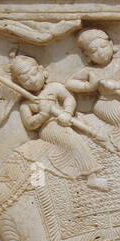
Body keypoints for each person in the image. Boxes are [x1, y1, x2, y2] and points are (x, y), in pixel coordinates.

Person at [10, 53, 108, 191]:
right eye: (25, 80)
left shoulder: (54, 87)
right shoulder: (26, 104)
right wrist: (44, 114)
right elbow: (30, 124)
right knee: (71, 139)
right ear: (19, 84)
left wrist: (67, 112)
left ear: (42, 71)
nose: (31, 80)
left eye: (33, 74)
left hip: (67, 117)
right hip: (50, 127)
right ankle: (91, 177)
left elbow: (69, 99)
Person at [67, 28, 120, 141]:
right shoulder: (91, 70)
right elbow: (70, 83)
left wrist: (119, 84)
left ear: (111, 44)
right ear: (87, 54)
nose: (100, 52)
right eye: (94, 50)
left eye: (103, 46)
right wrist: (88, 86)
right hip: (105, 103)